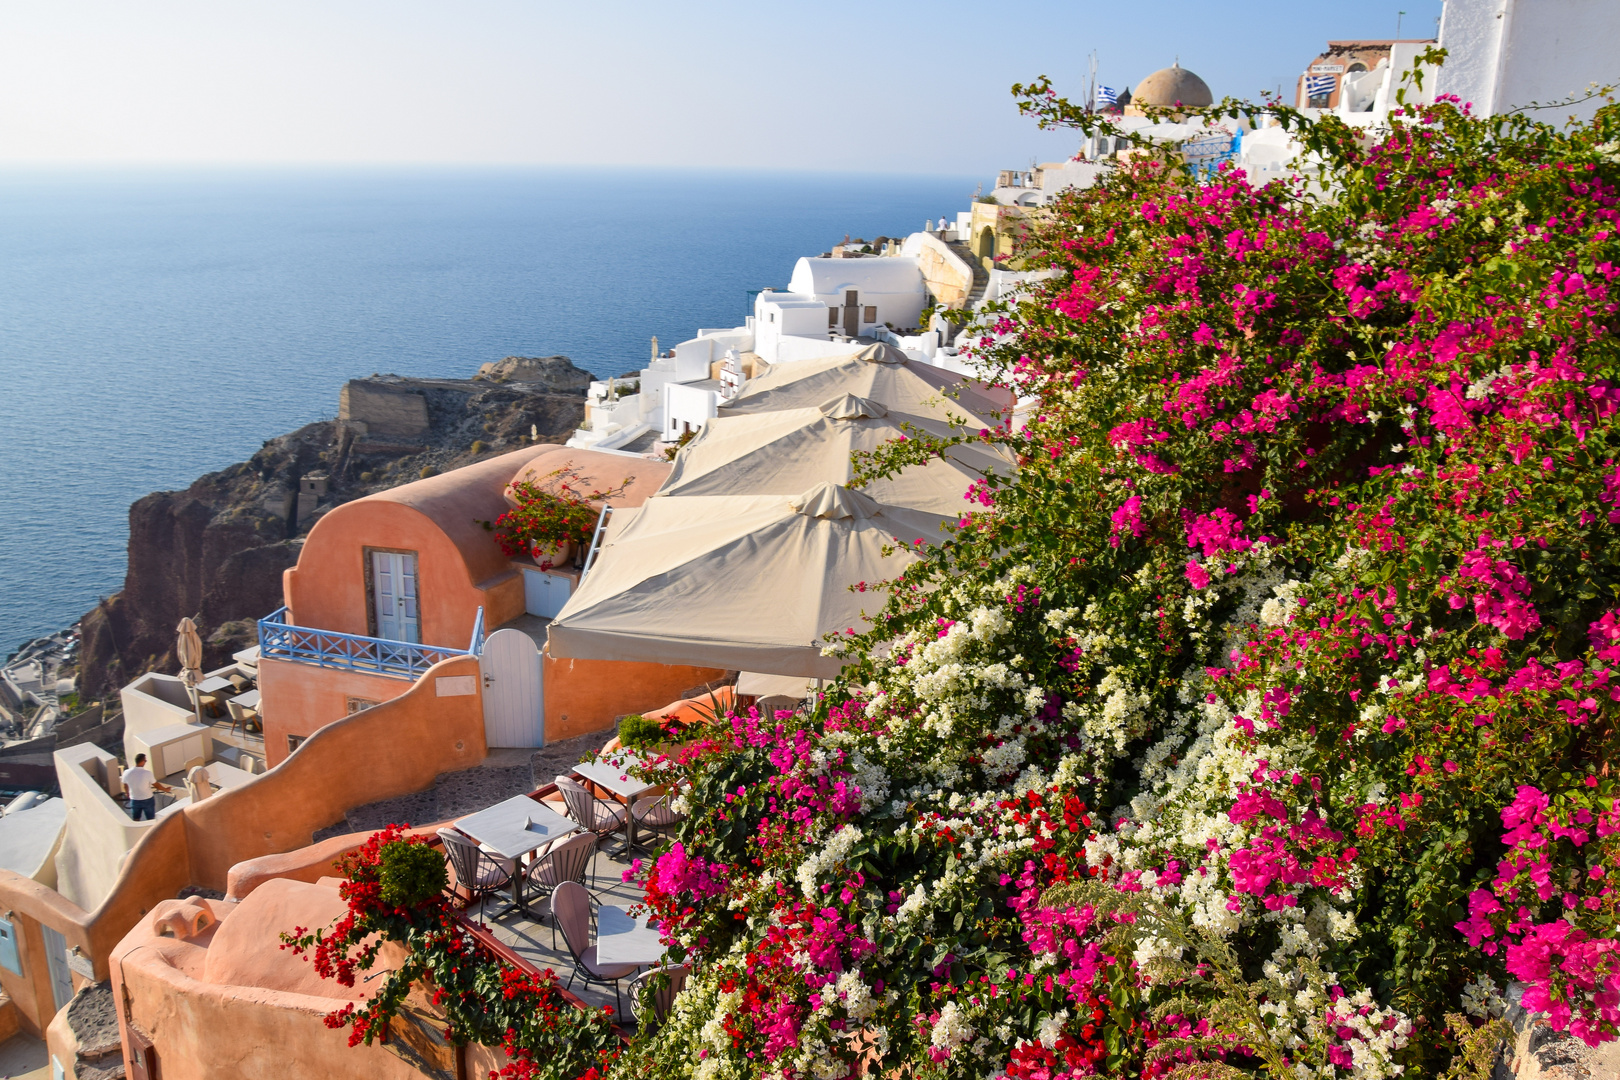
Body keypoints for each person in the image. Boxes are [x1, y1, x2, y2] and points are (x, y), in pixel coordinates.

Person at [123, 754, 171, 821]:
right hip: (147, 800)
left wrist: (127, 794)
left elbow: (125, 785)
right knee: (150, 819)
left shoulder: (126, 772)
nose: (145, 762)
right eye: (145, 760)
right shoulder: (147, 773)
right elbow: (156, 785)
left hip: (134, 800)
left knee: (136, 819)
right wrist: (166, 789)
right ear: (142, 761)